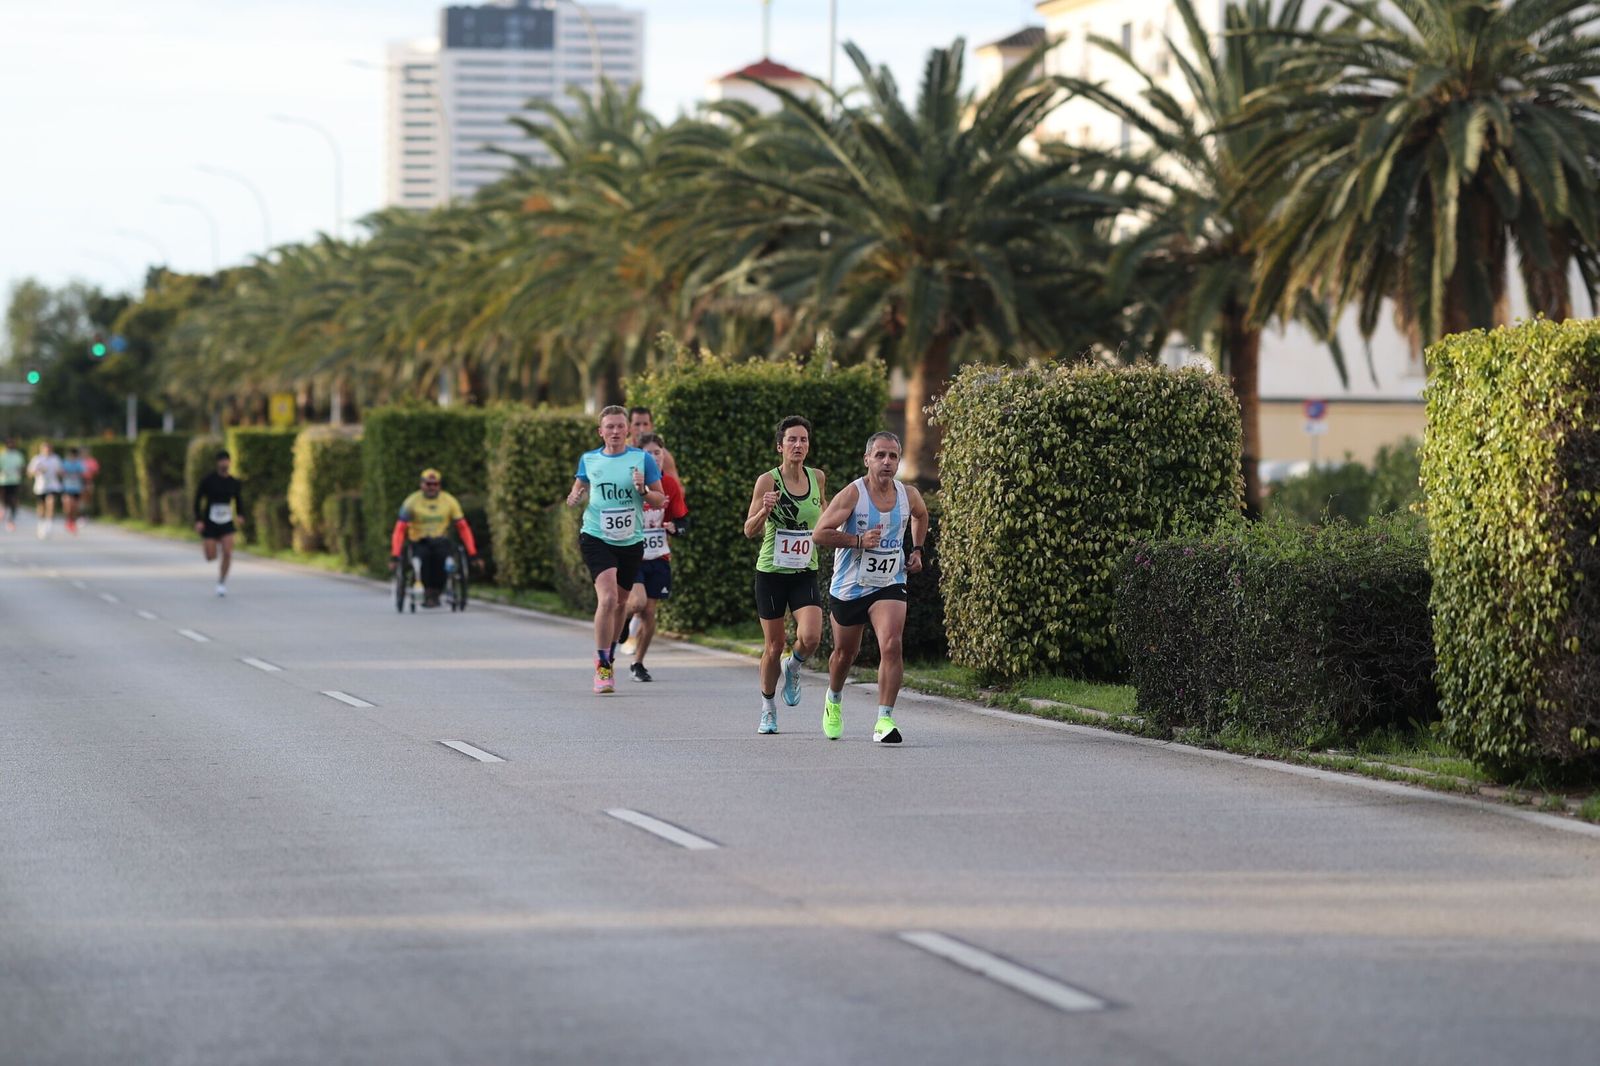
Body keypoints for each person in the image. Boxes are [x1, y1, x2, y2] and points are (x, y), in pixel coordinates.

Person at [814, 431, 929, 744]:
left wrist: (916, 549)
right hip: (850, 586)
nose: (887, 462)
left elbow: (921, 515)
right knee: (844, 654)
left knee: (891, 643)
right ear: (867, 459)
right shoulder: (852, 495)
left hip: (889, 582)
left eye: (893, 456)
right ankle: (834, 700)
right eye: (880, 455)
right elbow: (819, 534)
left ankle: (884, 721)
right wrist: (857, 541)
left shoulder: (909, 495)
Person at [566, 405, 666, 694]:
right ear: (601, 431)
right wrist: (574, 496)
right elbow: (578, 487)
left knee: (622, 603)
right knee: (608, 598)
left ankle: (609, 651)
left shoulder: (642, 459)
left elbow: (660, 499)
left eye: (620, 426)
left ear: (628, 430)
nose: (615, 431)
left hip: (630, 541)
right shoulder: (590, 460)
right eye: (609, 427)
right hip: (596, 536)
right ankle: (602, 664)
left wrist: (644, 491)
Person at [744, 415, 828, 735]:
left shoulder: (817, 477)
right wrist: (764, 510)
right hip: (771, 573)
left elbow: (826, 511)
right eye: (792, 440)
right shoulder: (767, 481)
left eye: (803, 440)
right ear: (780, 446)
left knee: (810, 637)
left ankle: (793, 667)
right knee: (774, 645)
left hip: (804, 569)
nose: (798, 445)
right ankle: (767, 707)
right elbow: (749, 530)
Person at [619, 433, 688, 683]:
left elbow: (682, 520)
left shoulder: (670, 485)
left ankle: (638, 663)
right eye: (648, 454)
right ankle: (624, 620)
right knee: (636, 603)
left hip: (659, 556)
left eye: (658, 453)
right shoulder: (628, 483)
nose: (654, 458)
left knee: (649, 612)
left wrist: (675, 528)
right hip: (633, 555)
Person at [389, 468, 480, 608]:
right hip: (419, 541)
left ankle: (436, 591)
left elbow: (462, 527)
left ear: (439, 485)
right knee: (422, 559)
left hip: (440, 540)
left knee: (443, 559)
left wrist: (472, 553)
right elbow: (400, 529)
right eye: (428, 484)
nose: (431, 487)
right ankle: (427, 590)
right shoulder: (411, 502)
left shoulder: (449, 501)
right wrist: (395, 555)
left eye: (435, 484)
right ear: (421, 485)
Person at [194, 449, 244, 596]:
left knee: (228, 552)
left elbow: (238, 499)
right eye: (222, 460)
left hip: (226, 521)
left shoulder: (233, 482)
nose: (224, 463)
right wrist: (198, 520)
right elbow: (197, 500)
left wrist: (240, 514)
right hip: (210, 521)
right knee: (211, 557)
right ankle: (210, 546)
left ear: (229, 462)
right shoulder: (208, 481)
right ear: (218, 463)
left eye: (226, 460)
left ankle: (221, 581)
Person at [627, 406, 679, 478]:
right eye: (637, 424)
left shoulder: (663, 456)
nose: (642, 429)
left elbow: (674, 486)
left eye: (645, 424)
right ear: (629, 427)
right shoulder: (621, 450)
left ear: (651, 426)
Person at [26, 442, 62, 540]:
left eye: (49, 449)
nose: (47, 451)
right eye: (45, 449)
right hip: (40, 487)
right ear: (42, 449)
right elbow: (29, 473)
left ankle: (49, 524)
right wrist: (37, 471)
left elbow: (61, 472)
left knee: (51, 502)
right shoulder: (37, 459)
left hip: (53, 486)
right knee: (41, 507)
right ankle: (41, 524)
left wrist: (59, 472)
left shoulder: (56, 459)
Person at [59, 447, 86, 534]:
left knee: (75, 506)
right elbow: (60, 473)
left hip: (77, 487)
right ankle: (68, 520)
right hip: (67, 487)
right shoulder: (65, 463)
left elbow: (84, 473)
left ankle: (73, 522)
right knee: (68, 505)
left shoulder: (79, 464)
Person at [0, 437, 23, 532]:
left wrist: (19, 472)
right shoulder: (2, 455)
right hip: (3, 481)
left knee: (13, 501)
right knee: (4, 500)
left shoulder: (18, 455)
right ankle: (3, 509)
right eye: (9, 444)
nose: (11, 445)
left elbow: (21, 467)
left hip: (14, 481)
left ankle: (11, 521)